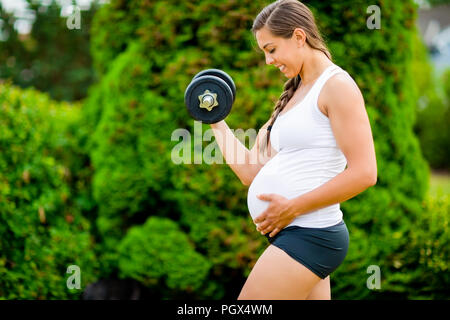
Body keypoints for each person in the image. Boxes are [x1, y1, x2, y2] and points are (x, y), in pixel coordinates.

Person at [210, 0, 377, 299]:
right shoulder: (294, 94)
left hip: (312, 234)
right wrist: (214, 120)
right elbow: (250, 171)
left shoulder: (337, 86)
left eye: (271, 49)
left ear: (299, 37)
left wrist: (293, 208)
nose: (268, 61)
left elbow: (365, 173)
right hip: (296, 233)